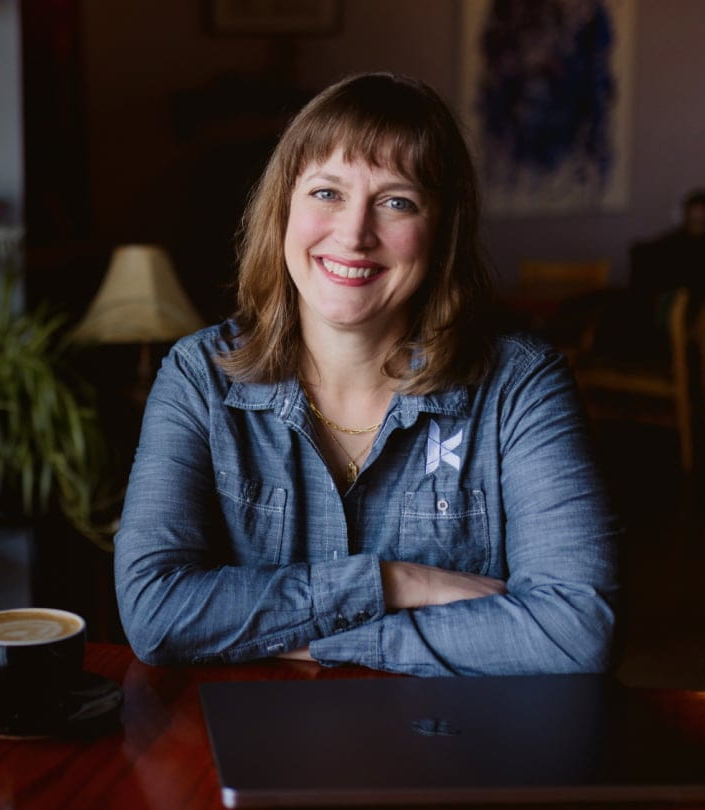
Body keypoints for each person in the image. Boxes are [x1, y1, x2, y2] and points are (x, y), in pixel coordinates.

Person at [113, 72, 618, 677]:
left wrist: (321, 642)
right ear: (282, 211)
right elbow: (155, 613)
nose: (354, 234)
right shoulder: (200, 377)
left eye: (396, 201)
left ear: (442, 232)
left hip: (456, 754)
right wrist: (393, 582)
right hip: (246, 748)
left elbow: (574, 634)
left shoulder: (521, 387)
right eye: (327, 192)